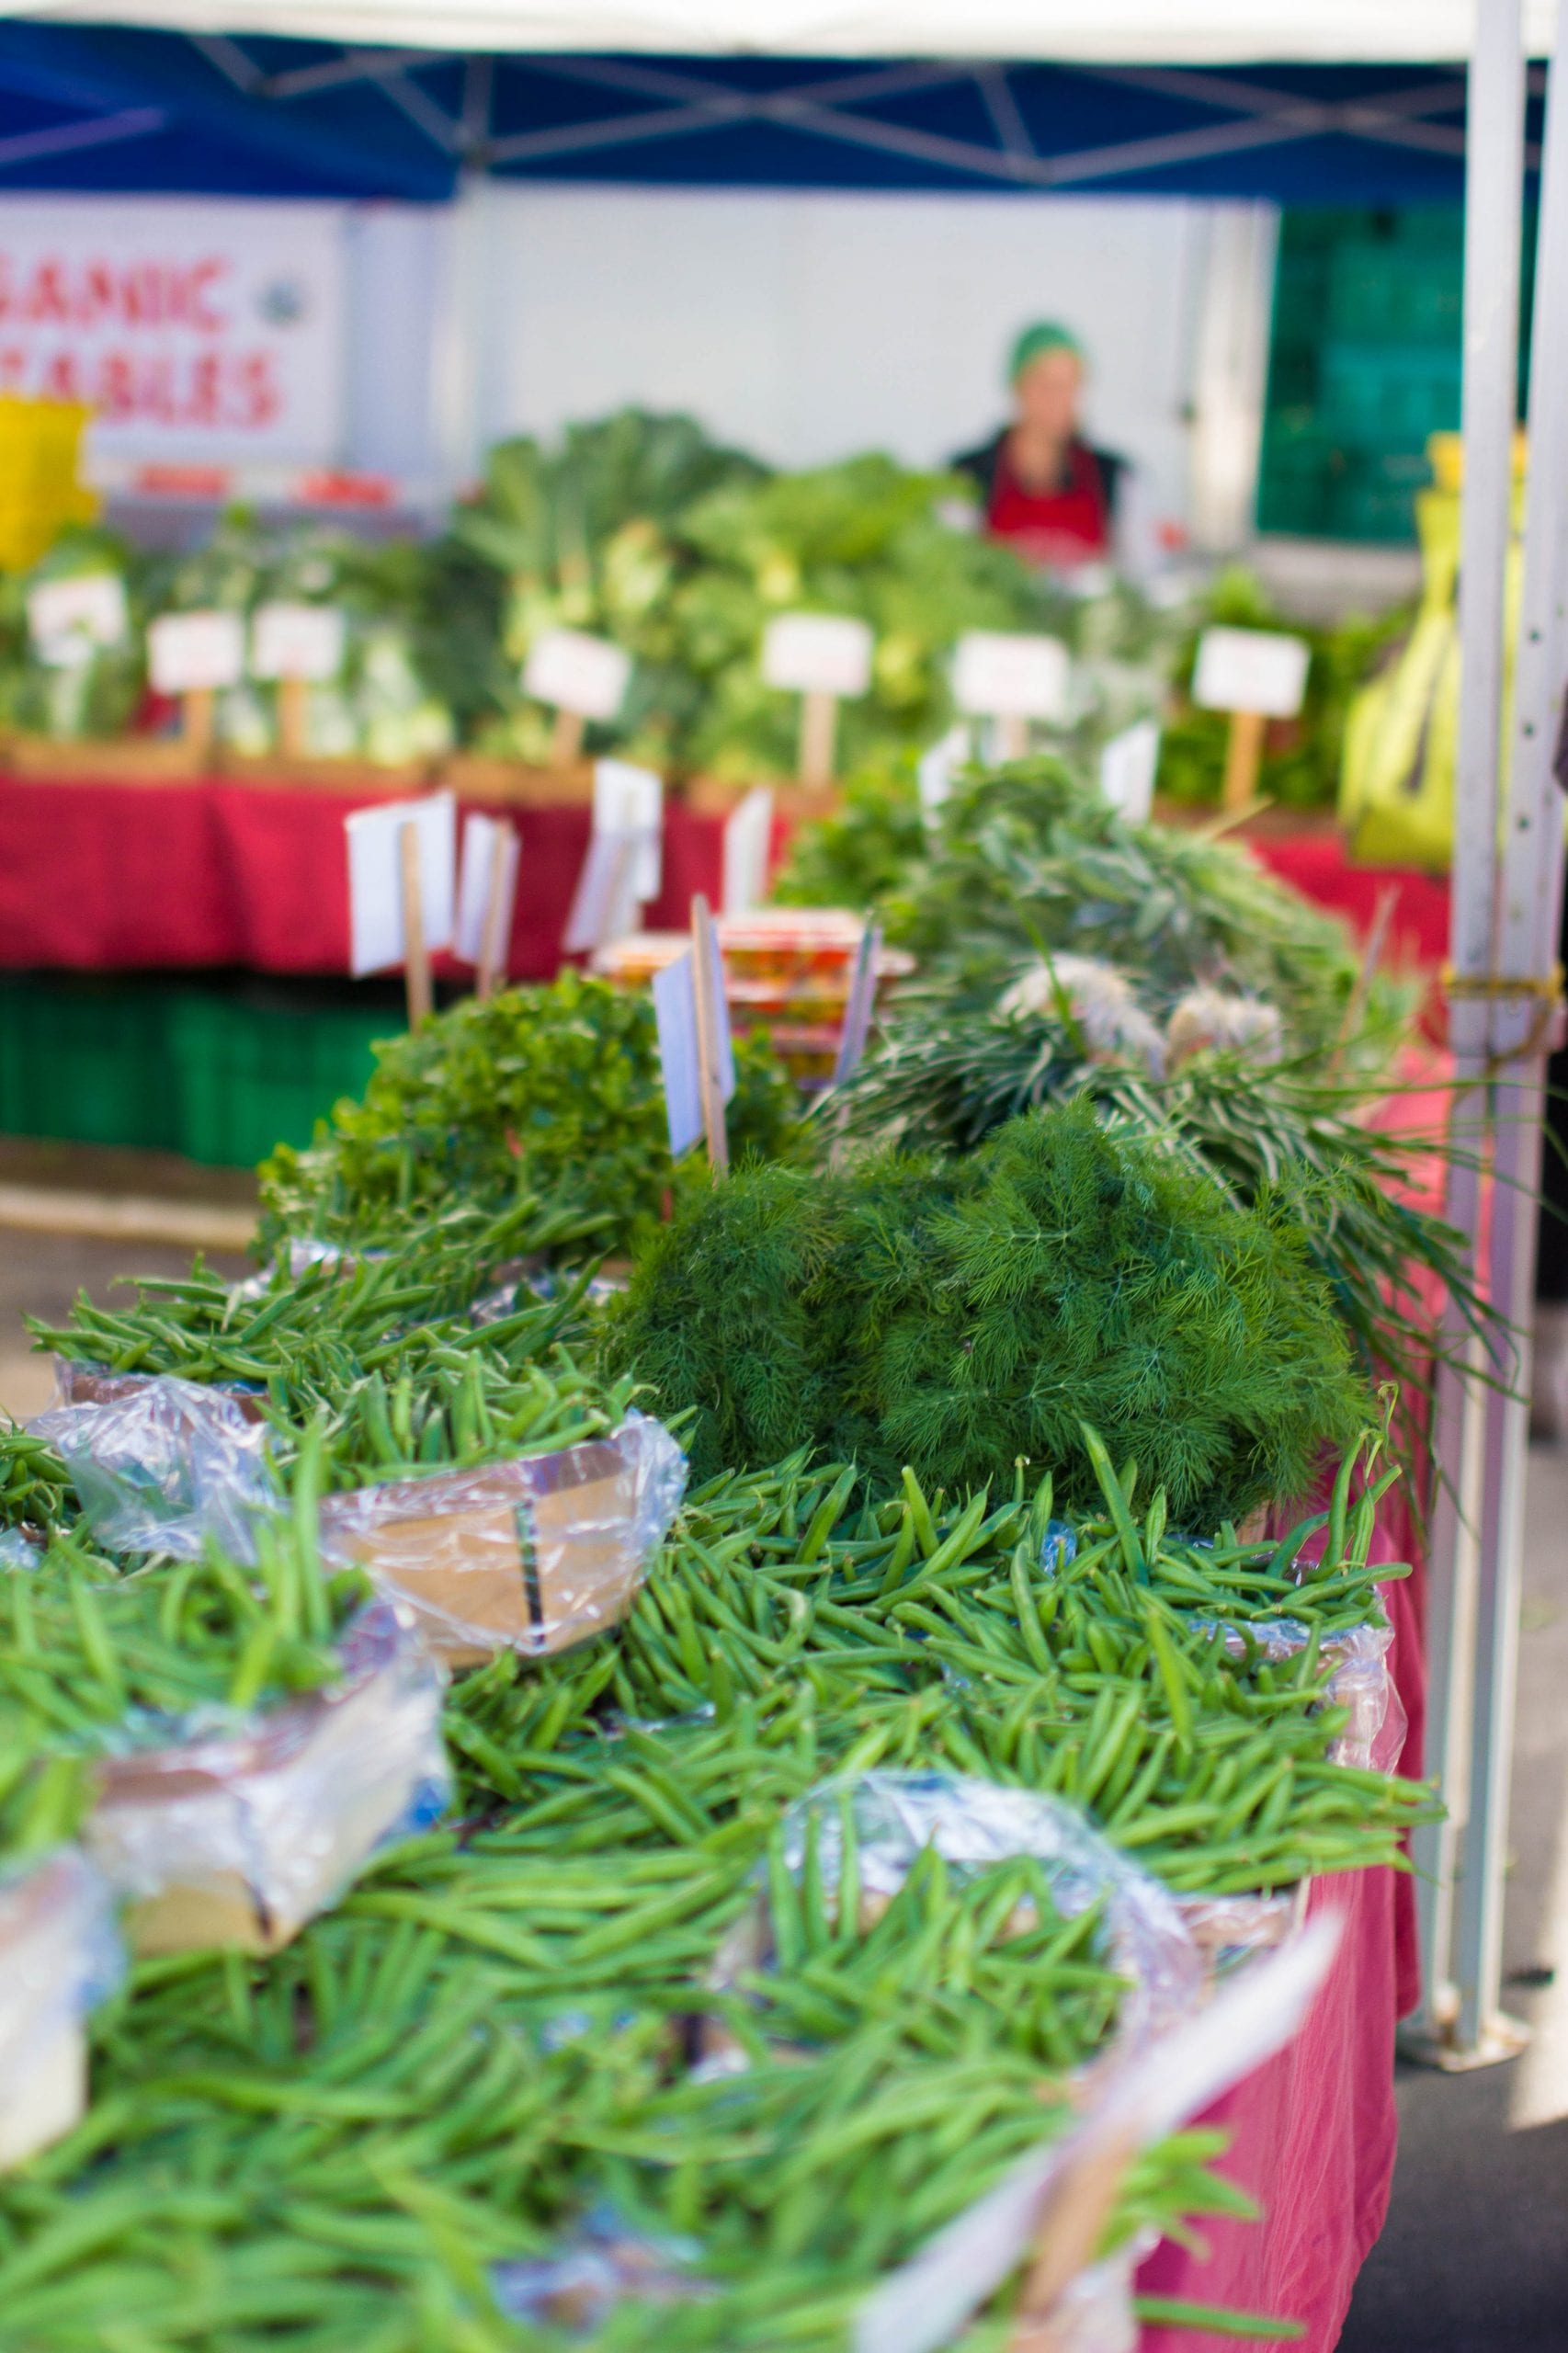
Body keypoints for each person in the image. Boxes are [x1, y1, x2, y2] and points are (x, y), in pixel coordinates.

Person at [951, 322, 1128, 571]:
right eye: (1045, 384)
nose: (1059, 399)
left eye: (1070, 385)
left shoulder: (1114, 476)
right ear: (1017, 386)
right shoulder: (967, 475)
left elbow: (1146, 571)